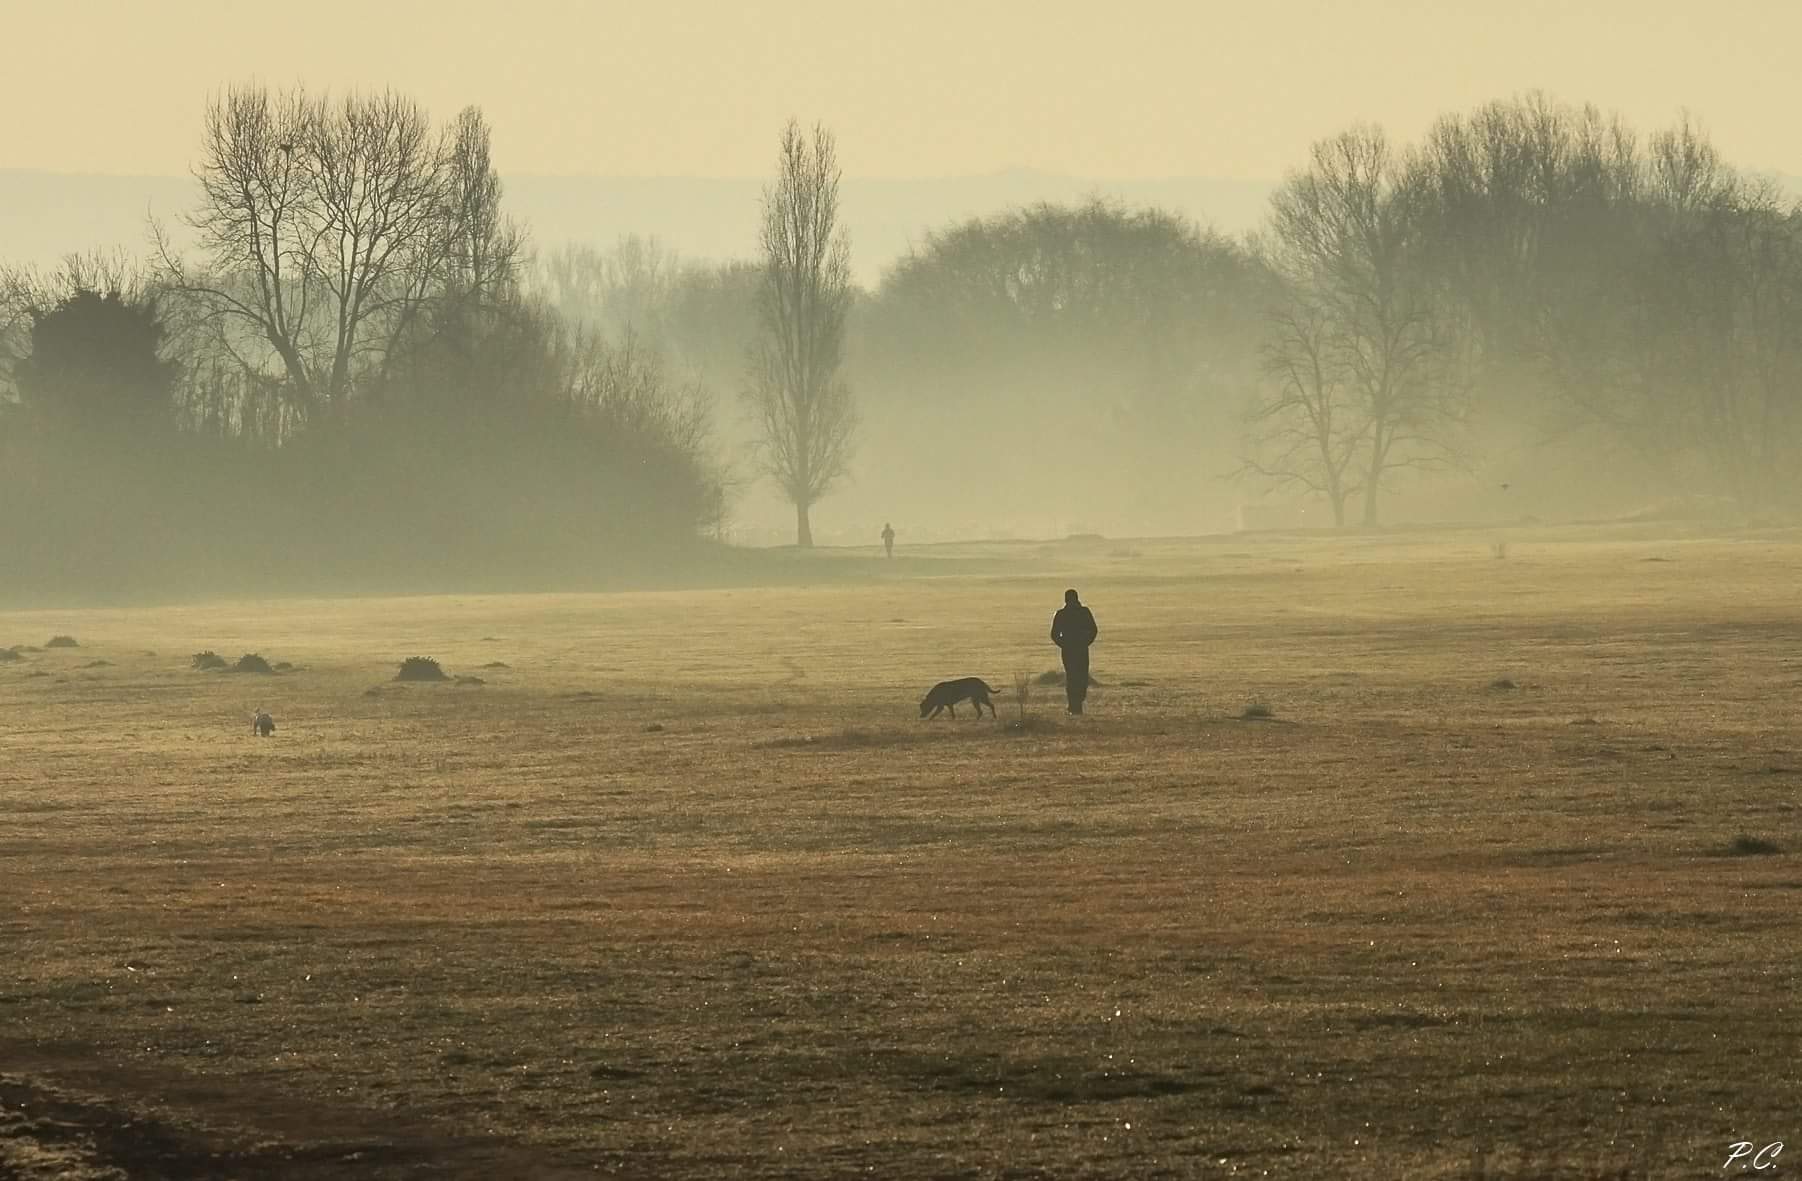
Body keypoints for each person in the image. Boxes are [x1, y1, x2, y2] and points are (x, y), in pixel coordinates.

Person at [1050, 588, 1098, 714]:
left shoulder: (1079, 612)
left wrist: (1066, 644)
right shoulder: (1070, 613)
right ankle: (1074, 705)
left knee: (1079, 677)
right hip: (1074, 650)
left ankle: (1076, 704)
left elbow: (1093, 630)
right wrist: (1065, 644)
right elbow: (1054, 634)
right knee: (1074, 677)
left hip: (1076, 649)